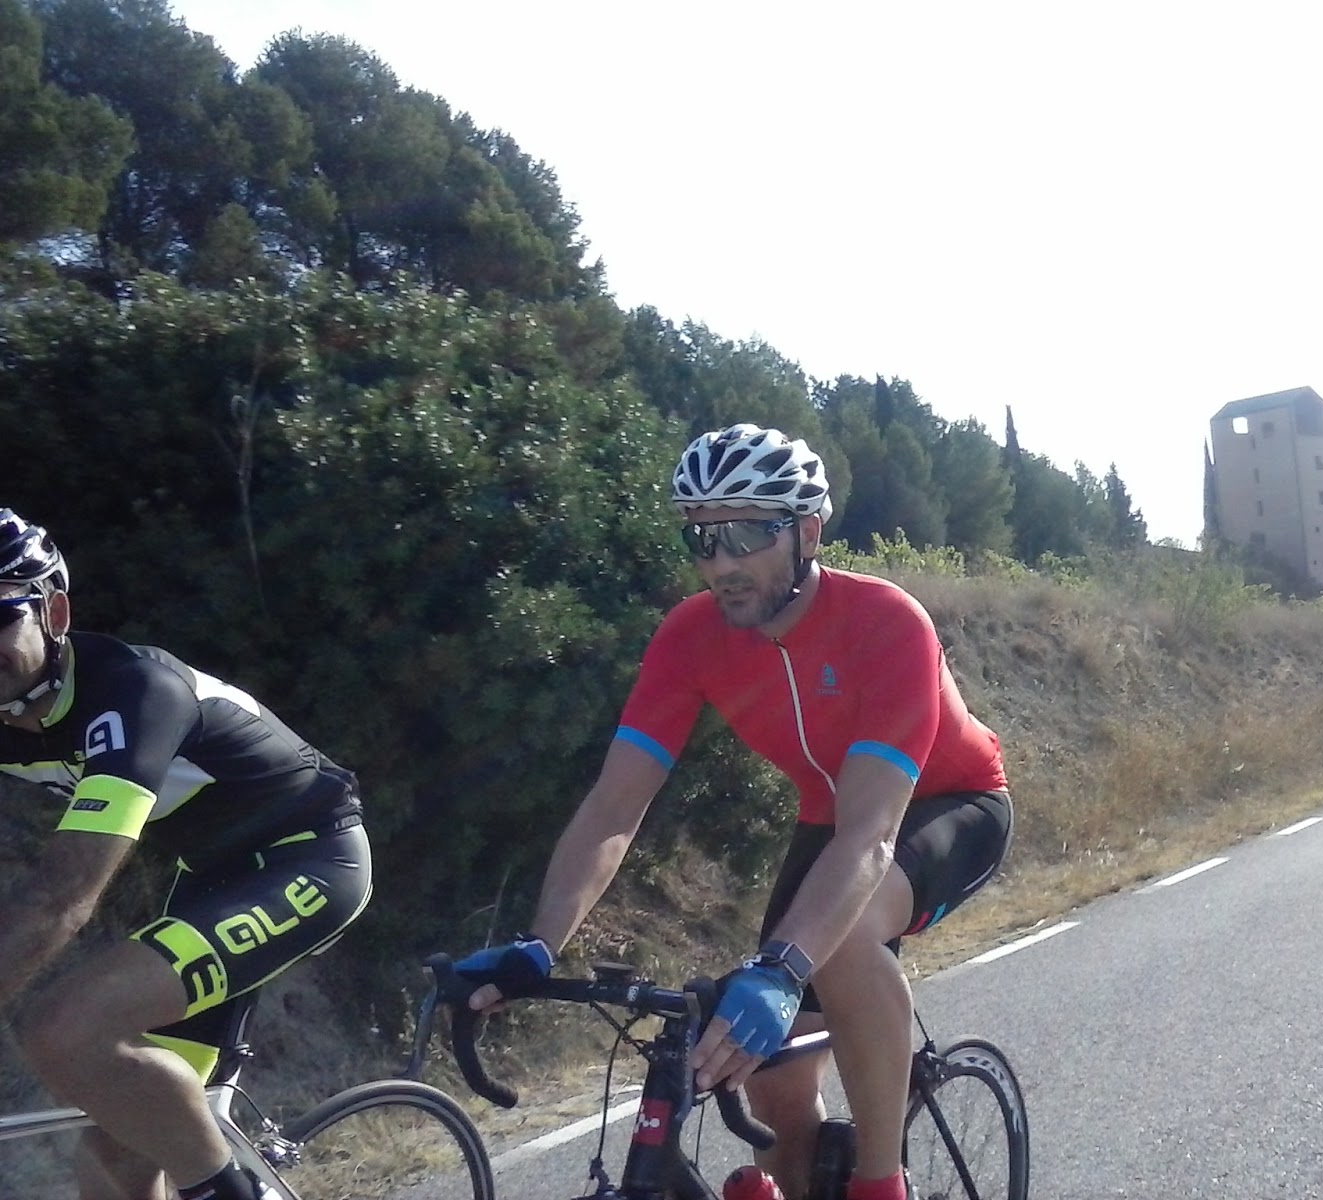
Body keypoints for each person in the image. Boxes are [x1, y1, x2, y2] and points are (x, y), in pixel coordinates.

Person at [452, 424, 1014, 1200]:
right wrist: (538, 946)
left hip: (948, 803)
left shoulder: (886, 622)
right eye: (703, 538)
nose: (721, 563)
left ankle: (881, 1185)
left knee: (838, 945)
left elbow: (871, 835)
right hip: (830, 821)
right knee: (772, 1084)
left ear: (807, 532)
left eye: (748, 534)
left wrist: (783, 967)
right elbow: (615, 805)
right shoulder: (690, 636)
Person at [0, 509, 372, 1200]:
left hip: (310, 859)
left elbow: (62, 895)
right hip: (210, 877)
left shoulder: (133, 691)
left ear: (54, 612)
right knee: (114, 1161)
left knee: (64, 1030)